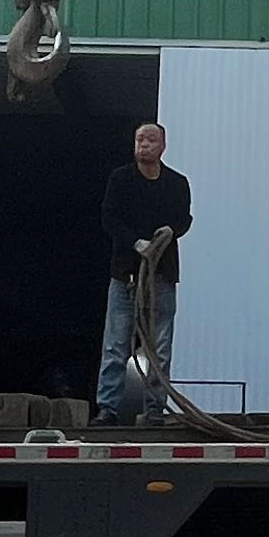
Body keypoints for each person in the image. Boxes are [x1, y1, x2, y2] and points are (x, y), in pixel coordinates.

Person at [98, 119, 195, 423]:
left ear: (162, 146)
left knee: (160, 347)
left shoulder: (177, 184)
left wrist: (170, 232)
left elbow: (184, 219)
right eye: (140, 139)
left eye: (151, 140)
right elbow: (109, 217)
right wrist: (135, 243)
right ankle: (108, 408)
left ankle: (154, 407)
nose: (144, 145)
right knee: (116, 344)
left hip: (162, 275)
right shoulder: (121, 179)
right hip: (126, 276)